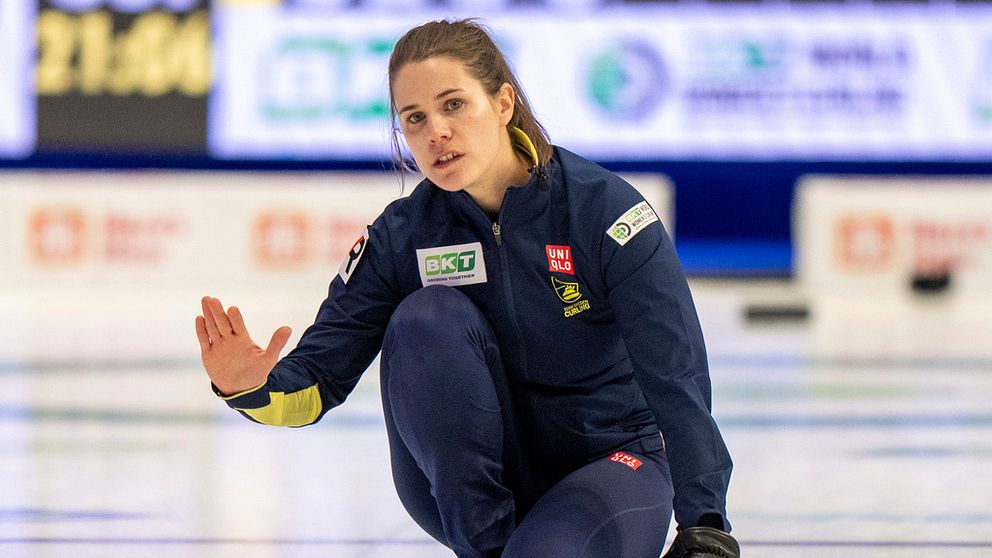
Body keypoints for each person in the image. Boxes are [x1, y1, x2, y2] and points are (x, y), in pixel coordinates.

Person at [195, 18, 739, 558]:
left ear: (503, 103)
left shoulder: (604, 213)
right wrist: (252, 388)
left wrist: (704, 526)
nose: (436, 132)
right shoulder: (402, 237)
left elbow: (676, 374)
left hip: (613, 463)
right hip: (474, 492)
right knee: (425, 317)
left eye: (453, 104)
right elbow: (317, 381)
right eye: (414, 118)